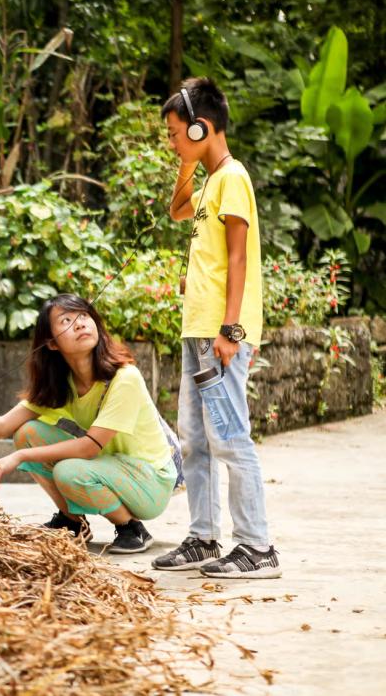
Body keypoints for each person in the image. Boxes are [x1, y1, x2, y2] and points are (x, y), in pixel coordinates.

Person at [151, 77, 280, 578]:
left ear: (204, 126)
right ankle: (204, 538)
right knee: (194, 440)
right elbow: (176, 208)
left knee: (229, 436)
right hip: (197, 329)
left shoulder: (233, 178)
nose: (171, 141)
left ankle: (257, 547)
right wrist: (189, 155)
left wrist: (232, 330)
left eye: (178, 132)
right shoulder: (208, 181)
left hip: (220, 333)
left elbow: (239, 256)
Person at [0, 294, 178, 554]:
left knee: (68, 471)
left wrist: (20, 456)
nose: (80, 324)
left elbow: (90, 449)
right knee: (27, 433)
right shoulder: (63, 384)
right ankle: (72, 522)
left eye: (84, 316)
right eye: (66, 320)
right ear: (51, 343)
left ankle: (131, 528)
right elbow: (2, 426)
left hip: (150, 482)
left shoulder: (125, 377)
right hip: (112, 467)